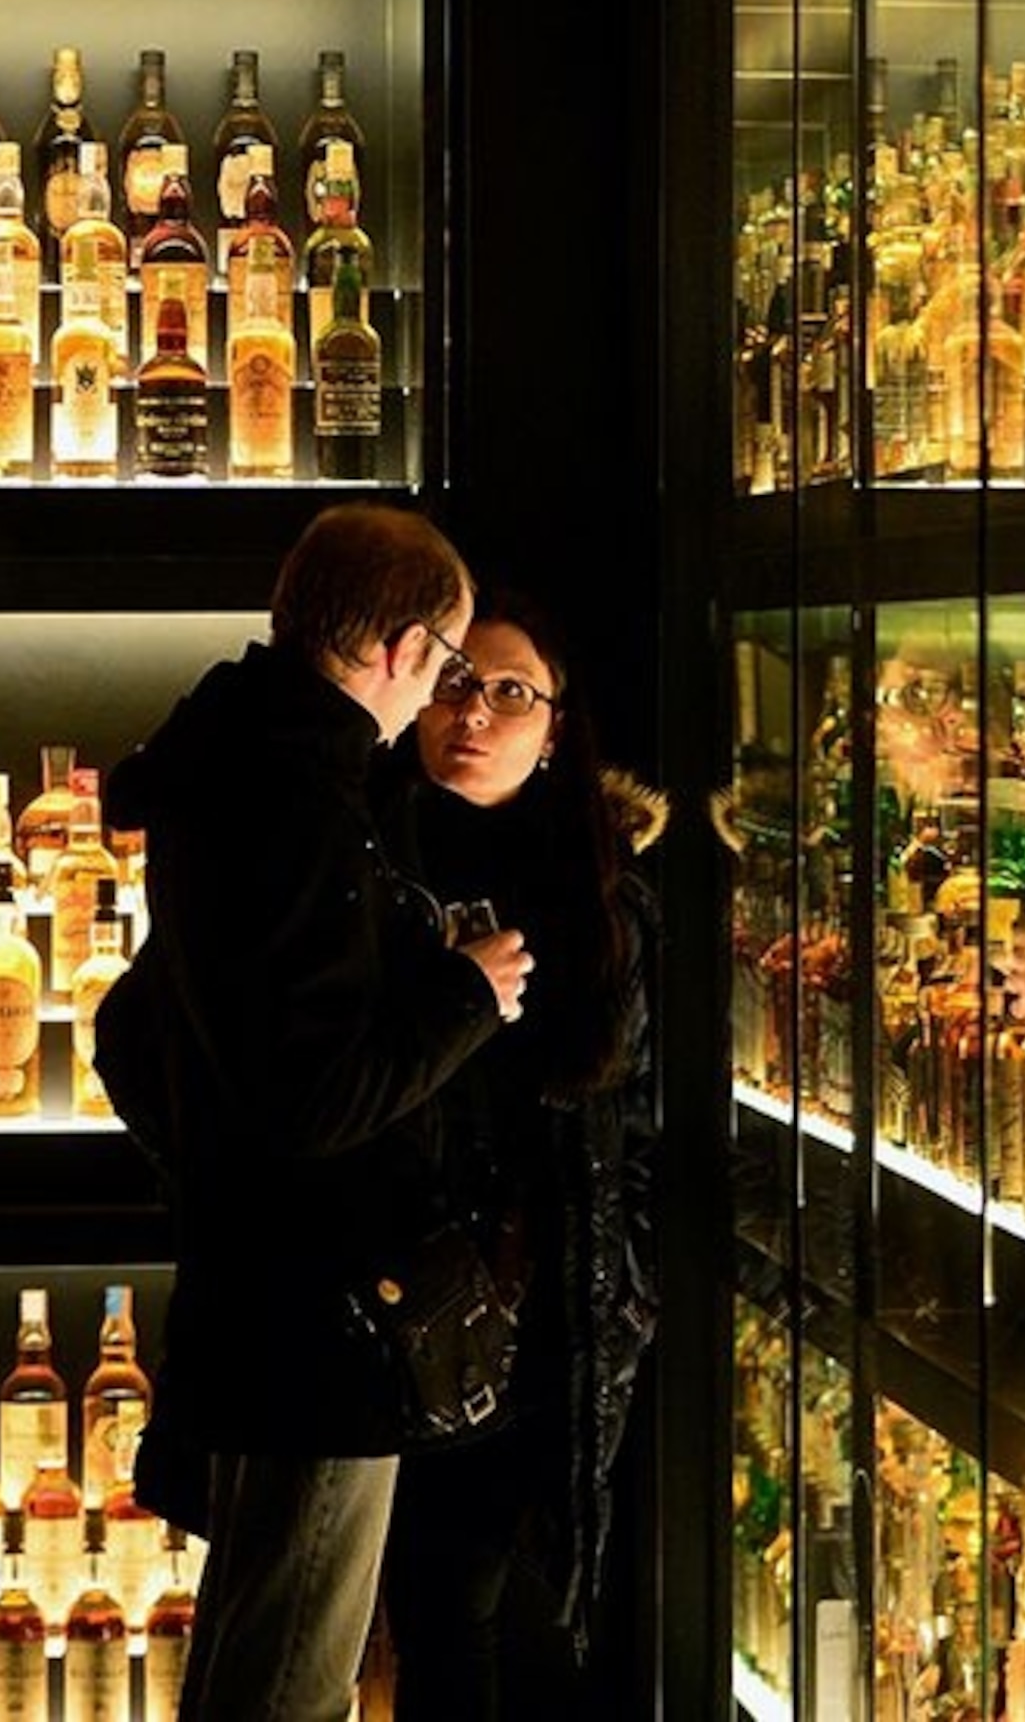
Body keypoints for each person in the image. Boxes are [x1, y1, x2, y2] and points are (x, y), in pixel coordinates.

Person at [90, 503, 536, 1722]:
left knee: (263, 1637)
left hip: (259, 1290)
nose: (442, 697)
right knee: (291, 1671)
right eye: (446, 665)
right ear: (397, 647)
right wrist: (466, 994)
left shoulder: (235, 762)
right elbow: (316, 1095)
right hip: (321, 1316)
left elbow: (131, 1033)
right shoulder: (296, 794)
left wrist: (209, 1161)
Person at [372, 588, 662, 1717]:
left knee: (477, 1611)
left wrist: (627, 1297)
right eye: (452, 683)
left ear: (554, 726)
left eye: (509, 692)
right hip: (388, 1296)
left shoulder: (609, 900)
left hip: (547, 1318)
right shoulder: (365, 866)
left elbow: (642, 1124)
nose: (474, 712)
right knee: (404, 1609)